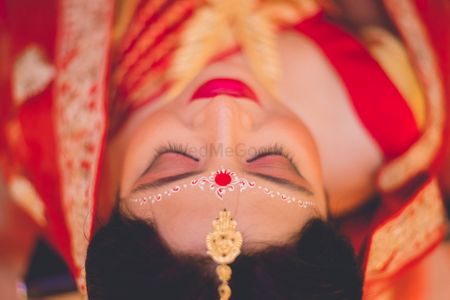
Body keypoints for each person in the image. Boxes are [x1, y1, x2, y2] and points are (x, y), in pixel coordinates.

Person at [0, 0, 449, 299]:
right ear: (332, 211)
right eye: (272, 162)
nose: (223, 114)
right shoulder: (376, 120)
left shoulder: (52, 138)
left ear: (106, 207)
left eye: (171, 161)